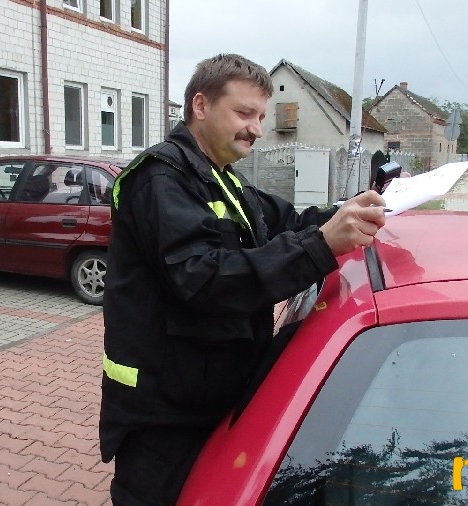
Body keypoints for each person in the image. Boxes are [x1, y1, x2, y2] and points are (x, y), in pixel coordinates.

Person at [100, 53, 387, 505]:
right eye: (244, 113)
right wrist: (321, 247)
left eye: (260, 117)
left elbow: (290, 222)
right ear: (200, 106)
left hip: (206, 400)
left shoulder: (223, 181)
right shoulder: (160, 180)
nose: (256, 129)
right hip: (164, 416)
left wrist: (350, 214)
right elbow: (204, 279)